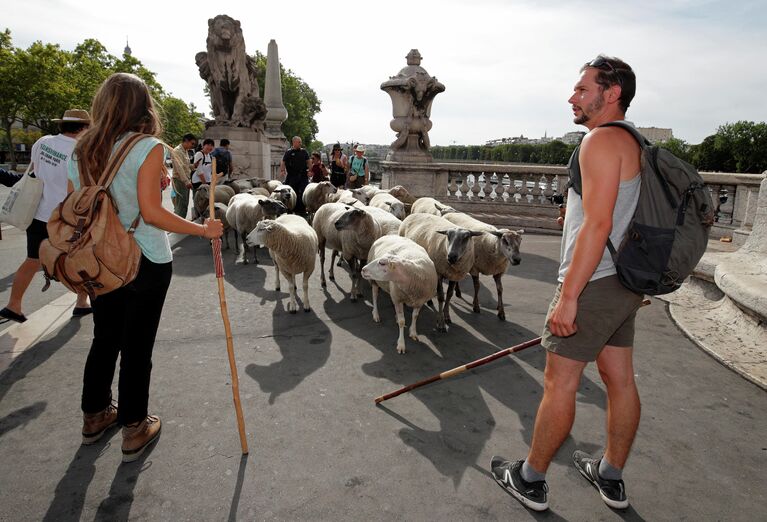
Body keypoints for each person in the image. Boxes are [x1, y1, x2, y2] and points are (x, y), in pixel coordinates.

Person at [490, 55, 643, 512]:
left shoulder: (598, 141)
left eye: (582, 88)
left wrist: (569, 297)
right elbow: (611, 213)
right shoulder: (632, 142)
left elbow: (598, 227)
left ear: (610, 93)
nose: (573, 97)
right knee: (620, 381)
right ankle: (610, 475)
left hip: (592, 282)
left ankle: (530, 479)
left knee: (560, 383)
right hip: (623, 281)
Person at [69, 72, 223, 462]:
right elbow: (152, 213)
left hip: (100, 259)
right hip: (144, 259)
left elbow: (78, 207)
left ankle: (94, 414)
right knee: (137, 346)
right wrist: (202, 230)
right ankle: (135, 426)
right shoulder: (148, 147)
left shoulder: (82, 149)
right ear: (143, 106)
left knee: (105, 337)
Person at [0, 109, 93, 325]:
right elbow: (76, 187)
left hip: (38, 212)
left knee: (32, 259)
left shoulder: (42, 142)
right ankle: (81, 302)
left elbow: (33, 173)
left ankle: (14, 305)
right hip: (65, 217)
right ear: (83, 128)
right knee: (82, 258)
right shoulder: (82, 150)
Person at [279, 136, 310, 214]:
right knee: (292, 192)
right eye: (299, 142)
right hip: (292, 176)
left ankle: (302, 210)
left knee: (303, 192)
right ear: (294, 143)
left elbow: (308, 161)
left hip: (303, 176)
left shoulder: (304, 152)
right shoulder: (289, 152)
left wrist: (310, 170)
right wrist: (282, 170)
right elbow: (283, 161)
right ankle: (290, 209)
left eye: (300, 142)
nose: (300, 143)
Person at [169, 133, 196, 218]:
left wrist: (193, 166)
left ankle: (179, 226)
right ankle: (177, 228)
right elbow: (179, 168)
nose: (192, 146)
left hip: (184, 180)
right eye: (192, 143)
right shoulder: (177, 151)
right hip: (180, 181)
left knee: (183, 204)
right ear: (186, 141)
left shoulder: (185, 151)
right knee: (181, 205)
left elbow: (185, 166)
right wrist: (186, 181)